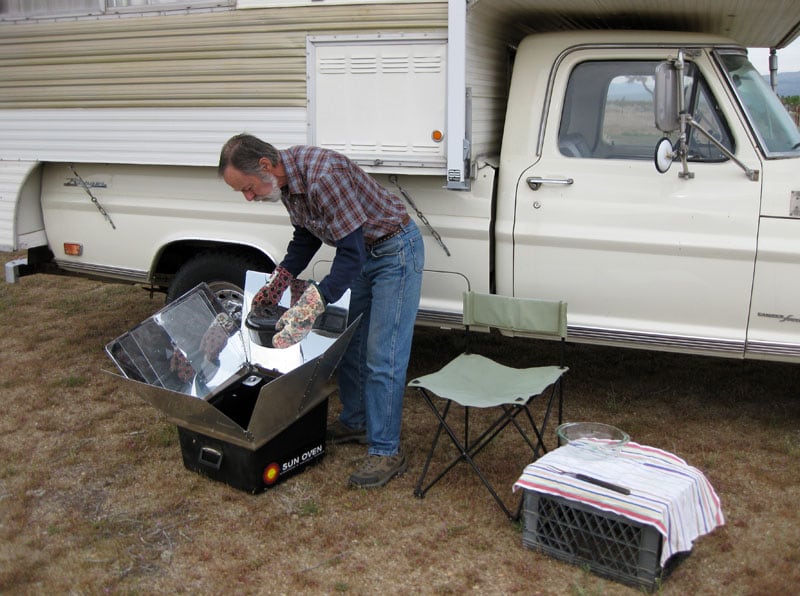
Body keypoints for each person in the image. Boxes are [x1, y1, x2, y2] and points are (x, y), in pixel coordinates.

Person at [218, 133, 425, 488]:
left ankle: (386, 450)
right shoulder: (285, 184)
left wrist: (312, 303)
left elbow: (350, 253)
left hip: (394, 252)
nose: (249, 197)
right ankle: (356, 421)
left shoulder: (323, 177)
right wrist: (280, 280)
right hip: (364, 253)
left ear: (265, 166)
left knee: (382, 355)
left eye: (247, 188)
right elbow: (306, 237)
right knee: (348, 342)